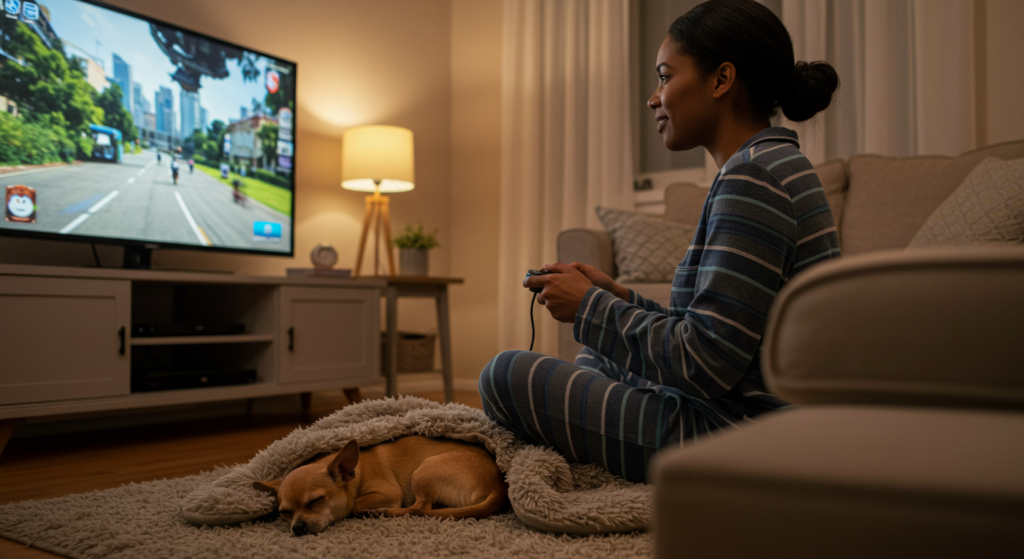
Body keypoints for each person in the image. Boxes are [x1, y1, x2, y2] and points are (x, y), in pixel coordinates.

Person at [479, 0, 841, 484]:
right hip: (743, 412)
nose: (654, 97)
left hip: (743, 437)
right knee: (602, 352)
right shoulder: (770, 164)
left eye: (666, 77)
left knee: (503, 374)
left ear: (721, 80)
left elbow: (706, 363)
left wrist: (590, 309)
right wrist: (618, 297)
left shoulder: (753, 179)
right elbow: (718, 335)